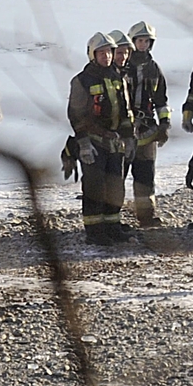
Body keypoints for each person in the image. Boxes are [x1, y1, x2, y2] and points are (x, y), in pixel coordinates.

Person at [68, 31, 135, 244]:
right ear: (92, 55)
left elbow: (125, 110)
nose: (106, 57)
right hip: (94, 142)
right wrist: (83, 142)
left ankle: (112, 225)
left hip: (116, 142)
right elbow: (76, 115)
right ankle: (94, 231)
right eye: (102, 53)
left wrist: (129, 136)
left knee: (115, 186)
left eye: (109, 52)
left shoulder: (118, 77)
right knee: (95, 187)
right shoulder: (82, 80)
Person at [125, 20, 172, 226]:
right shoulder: (122, 67)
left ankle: (146, 216)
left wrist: (164, 126)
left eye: (146, 41)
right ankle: (112, 218)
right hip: (124, 130)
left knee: (145, 176)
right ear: (132, 41)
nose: (142, 45)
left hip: (147, 130)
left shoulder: (154, 69)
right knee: (118, 175)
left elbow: (161, 100)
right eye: (139, 41)